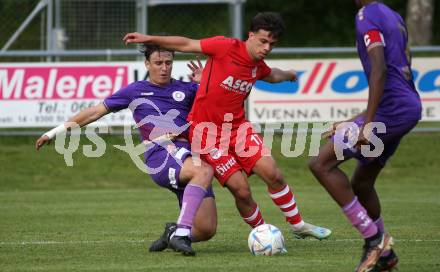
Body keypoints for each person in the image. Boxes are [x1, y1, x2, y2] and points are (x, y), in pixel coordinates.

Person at [124, 12, 332, 255]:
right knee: (241, 190)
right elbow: (186, 43)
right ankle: (263, 234)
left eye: (272, 45)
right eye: (263, 41)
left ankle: (298, 225)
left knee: (273, 172)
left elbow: (271, 74)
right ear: (250, 36)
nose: (266, 48)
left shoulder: (257, 65)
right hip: (206, 134)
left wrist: (288, 75)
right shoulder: (225, 47)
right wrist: (147, 38)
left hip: (238, 129)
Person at [35, 45, 217, 256]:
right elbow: (95, 112)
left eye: (168, 63)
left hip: (188, 155)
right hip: (161, 153)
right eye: (158, 63)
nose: (164, 68)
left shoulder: (187, 89)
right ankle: (181, 235)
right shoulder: (134, 91)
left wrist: (206, 84)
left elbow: (223, 103)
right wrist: (53, 132)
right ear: (147, 64)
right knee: (203, 171)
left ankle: (173, 233)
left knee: (206, 229)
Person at [308, 1, 422, 271]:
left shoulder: (366, 15)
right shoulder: (393, 16)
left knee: (321, 163)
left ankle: (374, 241)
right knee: (362, 182)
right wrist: (355, 120)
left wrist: (367, 124)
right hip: (405, 107)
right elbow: (404, 62)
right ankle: (385, 253)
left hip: (391, 111)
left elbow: (380, 68)